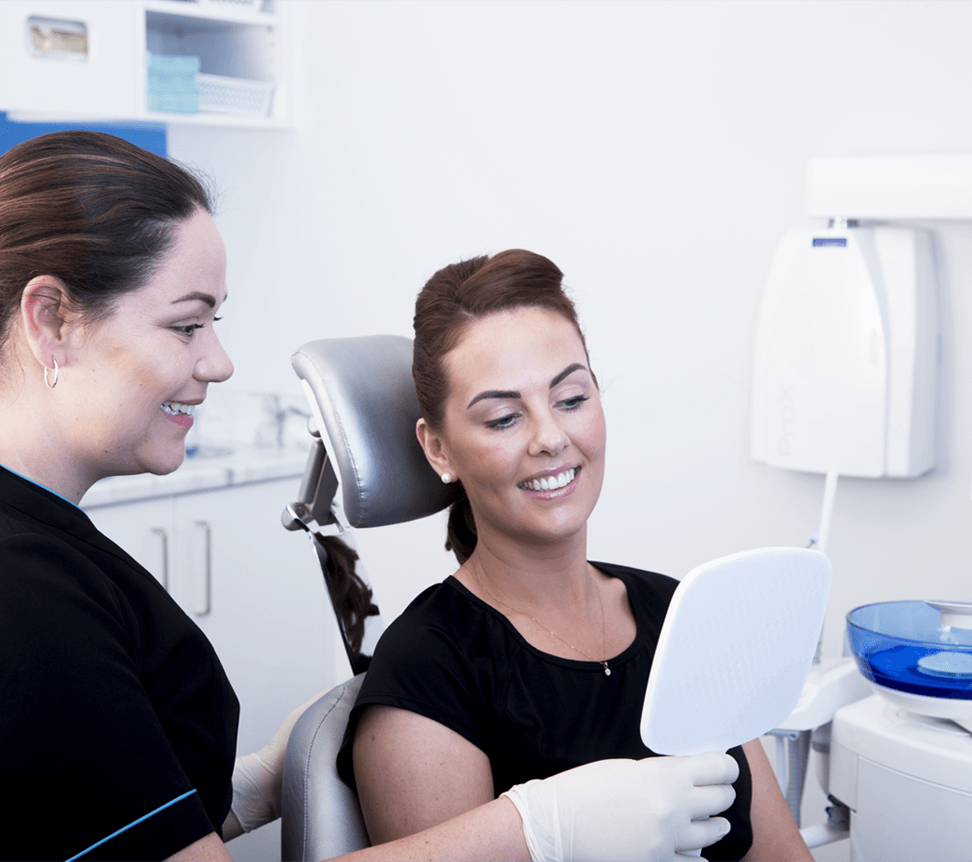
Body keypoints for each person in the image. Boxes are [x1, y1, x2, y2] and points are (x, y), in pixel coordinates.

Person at [0, 133, 739, 862]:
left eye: (572, 396)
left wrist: (247, 787)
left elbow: (74, 817)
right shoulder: (27, 591)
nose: (219, 361)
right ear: (52, 321)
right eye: (187, 324)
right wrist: (536, 828)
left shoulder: (50, 555)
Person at [337, 250, 814, 862]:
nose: (550, 438)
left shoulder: (679, 612)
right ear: (439, 450)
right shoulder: (429, 675)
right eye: (505, 418)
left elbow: (780, 853)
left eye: (570, 399)